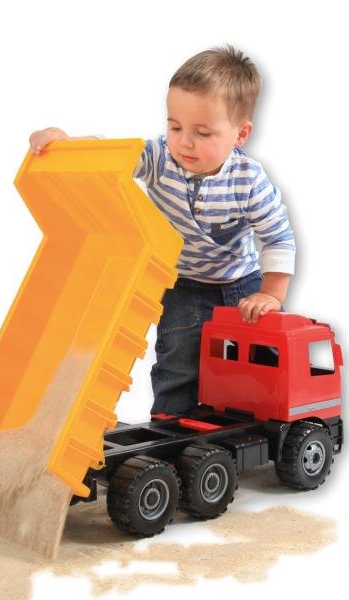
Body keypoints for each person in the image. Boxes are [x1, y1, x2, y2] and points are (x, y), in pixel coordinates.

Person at [28, 45, 295, 416]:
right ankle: (171, 428)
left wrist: (270, 294)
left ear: (241, 134)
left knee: (256, 362)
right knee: (178, 362)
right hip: (183, 283)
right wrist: (68, 143)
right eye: (175, 126)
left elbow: (278, 237)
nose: (184, 142)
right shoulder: (159, 158)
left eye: (203, 132)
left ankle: (251, 423)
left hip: (243, 283)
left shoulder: (248, 180)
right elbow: (114, 155)